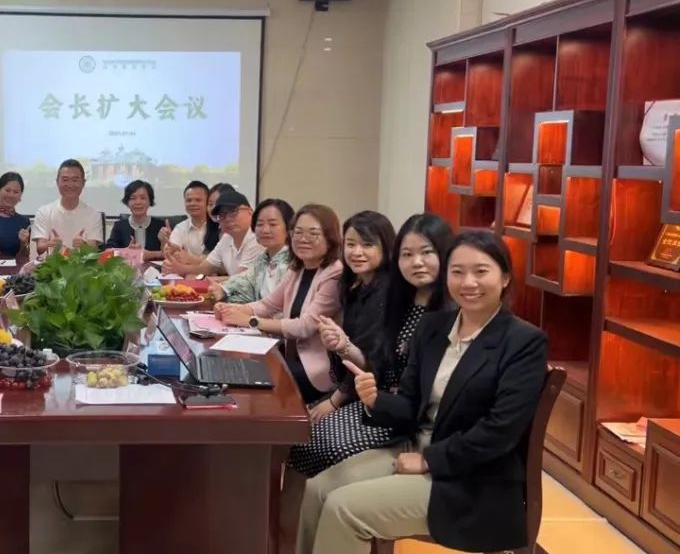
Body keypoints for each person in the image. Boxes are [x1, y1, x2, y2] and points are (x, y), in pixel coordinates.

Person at [297, 230, 549, 554]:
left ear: (505, 278)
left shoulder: (524, 342)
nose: (468, 282)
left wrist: (429, 460)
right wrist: (376, 401)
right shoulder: (433, 326)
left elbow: (500, 431)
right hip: (413, 446)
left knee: (343, 509)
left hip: (471, 478)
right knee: (317, 489)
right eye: (457, 272)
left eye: (480, 271)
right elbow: (411, 402)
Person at [287, 211, 414, 477]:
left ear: (386, 247)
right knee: (298, 429)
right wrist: (336, 345)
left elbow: (373, 361)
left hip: (381, 396)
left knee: (312, 437)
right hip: (357, 386)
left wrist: (335, 402)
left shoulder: (387, 293)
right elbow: (351, 354)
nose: (356, 252)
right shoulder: (356, 287)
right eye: (351, 244)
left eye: (367, 245)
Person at [214, 204, 345, 408]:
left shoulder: (334, 273)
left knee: (249, 385)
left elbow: (304, 326)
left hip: (316, 367)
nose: (303, 239)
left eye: (313, 233)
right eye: (298, 232)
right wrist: (233, 309)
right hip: (286, 354)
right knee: (231, 368)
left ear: (330, 237)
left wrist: (250, 321)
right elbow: (268, 304)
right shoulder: (297, 267)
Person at [210, 198, 293, 303]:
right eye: (260, 224)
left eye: (272, 224)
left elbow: (277, 306)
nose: (265, 230)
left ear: (289, 228)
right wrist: (223, 290)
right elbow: (244, 281)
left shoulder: (293, 264)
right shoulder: (263, 260)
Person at [164, 191, 263, 276]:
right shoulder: (227, 238)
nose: (227, 219)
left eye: (233, 212)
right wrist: (180, 268)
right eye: (222, 215)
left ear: (250, 211)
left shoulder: (257, 238)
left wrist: (207, 281)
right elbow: (206, 268)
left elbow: (240, 280)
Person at [32, 159, 103, 253]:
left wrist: (84, 246)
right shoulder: (44, 212)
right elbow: (40, 248)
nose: (70, 185)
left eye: (75, 180)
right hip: (54, 262)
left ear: (83, 183)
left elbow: (93, 250)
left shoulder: (94, 214)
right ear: (57, 182)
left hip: (81, 262)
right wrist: (50, 244)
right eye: (65, 180)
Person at [106, 179, 163, 259]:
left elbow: (172, 254)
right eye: (133, 198)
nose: (138, 202)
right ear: (127, 202)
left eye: (143, 198)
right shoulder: (119, 226)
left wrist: (151, 254)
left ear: (149, 201)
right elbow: (107, 253)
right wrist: (126, 251)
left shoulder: (160, 226)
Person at [160, 181, 215, 259]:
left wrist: (188, 257)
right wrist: (165, 242)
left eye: (198, 200)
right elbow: (170, 254)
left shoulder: (218, 225)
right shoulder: (180, 228)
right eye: (189, 200)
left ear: (208, 202)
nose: (192, 203)